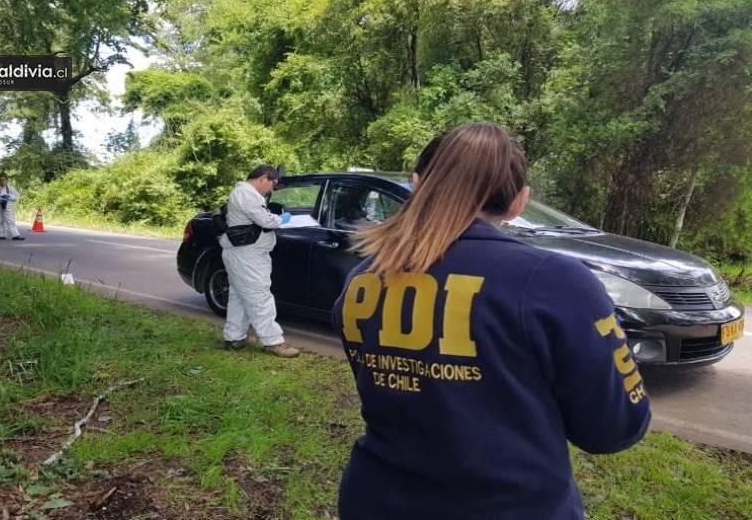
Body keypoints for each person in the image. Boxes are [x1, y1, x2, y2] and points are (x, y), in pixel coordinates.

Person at [333, 123, 651, 519]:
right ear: (519, 202)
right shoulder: (555, 281)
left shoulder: (362, 277)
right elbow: (616, 428)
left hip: (375, 502)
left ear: (416, 185)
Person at [220, 165, 300, 358]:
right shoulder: (246, 194)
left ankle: (234, 338)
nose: (272, 190)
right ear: (264, 178)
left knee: (239, 297)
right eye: (273, 184)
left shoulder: (245, 193)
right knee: (260, 297)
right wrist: (283, 219)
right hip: (247, 255)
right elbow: (265, 221)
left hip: (244, 253)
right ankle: (273, 342)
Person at [0, 175, 24, 241]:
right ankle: (1, 235)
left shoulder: (11, 188)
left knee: (10, 220)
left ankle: (15, 235)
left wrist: (8, 197)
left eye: (4, 180)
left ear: (7, 181)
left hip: (8, 205)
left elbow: (17, 197)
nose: (2, 181)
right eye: (1, 180)